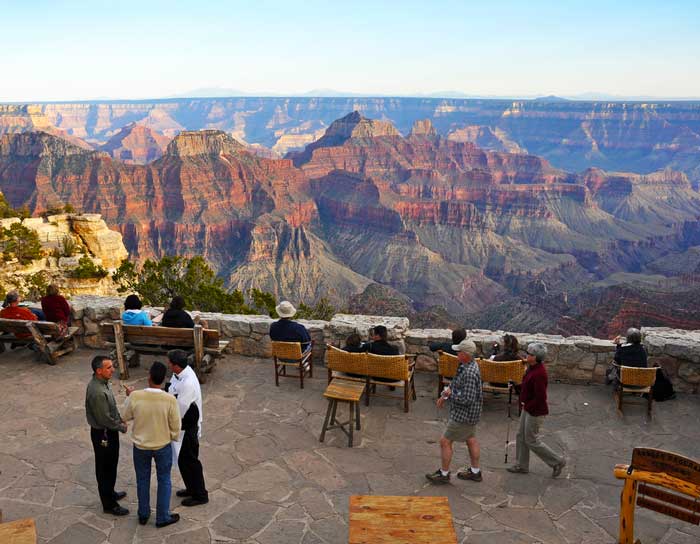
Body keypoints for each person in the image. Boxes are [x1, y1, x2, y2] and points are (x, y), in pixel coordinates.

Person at [123, 362, 181, 528]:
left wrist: (129, 396)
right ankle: (162, 516)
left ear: (149, 377)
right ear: (163, 380)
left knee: (142, 480)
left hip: (141, 447)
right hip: (162, 445)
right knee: (164, 480)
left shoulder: (136, 396)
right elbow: (176, 426)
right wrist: (170, 437)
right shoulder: (170, 399)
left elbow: (125, 416)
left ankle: (143, 514)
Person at [426, 339, 483, 484]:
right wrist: (446, 394)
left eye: (459, 351)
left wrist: (451, 396)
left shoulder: (470, 373)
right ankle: (475, 472)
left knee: (445, 441)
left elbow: (468, 399)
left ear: (466, 354)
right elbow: (456, 381)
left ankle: (444, 474)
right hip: (470, 414)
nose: (456, 352)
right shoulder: (465, 365)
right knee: (471, 439)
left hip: (464, 414)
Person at [507, 343, 566, 477]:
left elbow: (540, 397)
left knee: (531, 440)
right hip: (528, 407)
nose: (527, 355)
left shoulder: (540, 374)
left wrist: (526, 405)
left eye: (530, 354)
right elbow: (527, 386)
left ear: (536, 357)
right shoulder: (532, 368)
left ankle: (557, 461)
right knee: (521, 436)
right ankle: (521, 465)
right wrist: (516, 386)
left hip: (535, 411)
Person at [84, 355, 129, 516]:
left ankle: (110, 492)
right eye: (109, 367)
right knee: (105, 468)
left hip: (108, 432)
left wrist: (119, 418)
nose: (113, 370)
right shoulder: (97, 391)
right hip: (103, 434)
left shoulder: (103, 383)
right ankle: (109, 504)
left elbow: (112, 406)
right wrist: (121, 426)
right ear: (98, 371)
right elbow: (104, 418)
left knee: (111, 466)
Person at [166, 349, 209, 506]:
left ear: (176, 366)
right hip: (183, 425)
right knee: (183, 460)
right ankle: (191, 488)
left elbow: (180, 410)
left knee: (190, 461)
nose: (168, 365)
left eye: (170, 363)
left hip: (189, 426)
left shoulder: (188, 383)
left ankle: (200, 495)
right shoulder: (180, 373)